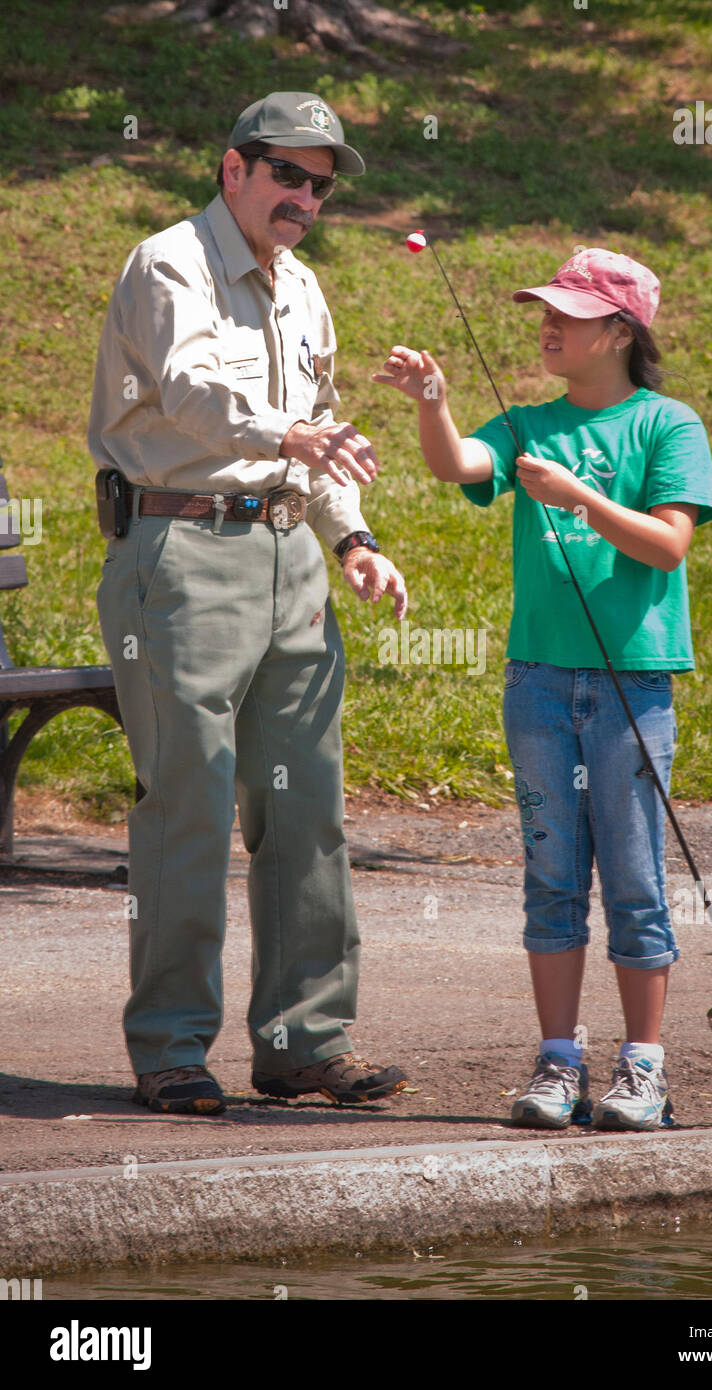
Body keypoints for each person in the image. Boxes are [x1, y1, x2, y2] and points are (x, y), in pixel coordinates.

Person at [89, 92, 409, 1115]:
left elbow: (318, 437)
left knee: (306, 808)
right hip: (179, 550)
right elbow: (187, 389)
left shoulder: (304, 287)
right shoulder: (168, 262)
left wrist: (352, 537)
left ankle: (303, 1041)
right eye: (288, 174)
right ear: (234, 168)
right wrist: (290, 437)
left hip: (289, 564)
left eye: (320, 183)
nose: (305, 197)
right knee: (187, 804)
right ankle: (172, 1045)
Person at [374, 247, 712, 1131]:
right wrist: (433, 405)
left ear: (618, 330)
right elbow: (458, 467)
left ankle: (643, 1068)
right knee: (552, 878)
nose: (546, 324)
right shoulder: (527, 421)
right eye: (543, 311)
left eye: (566, 313)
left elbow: (667, 544)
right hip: (536, 682)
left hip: (631, 684)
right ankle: (557, 1061)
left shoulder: (667, 425)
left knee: (635, 881)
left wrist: (576, 499)